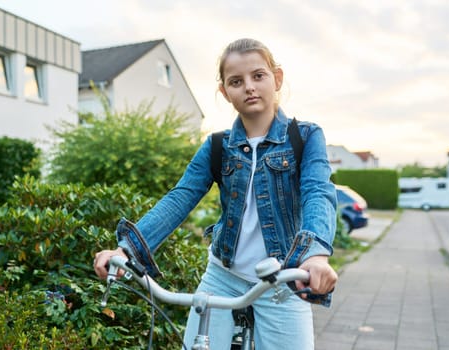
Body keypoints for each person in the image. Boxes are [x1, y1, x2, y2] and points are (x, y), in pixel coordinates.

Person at [94, 38, 338, 349]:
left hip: (283, 281)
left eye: (258, 76)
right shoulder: (218, 146)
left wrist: (315, 255)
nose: (248, 87)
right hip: (223, 276)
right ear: (224, 91)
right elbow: (180, 197)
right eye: (236, 81)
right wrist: (126, 250)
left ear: (276, 78)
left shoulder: (305, 137)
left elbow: (318, 192)